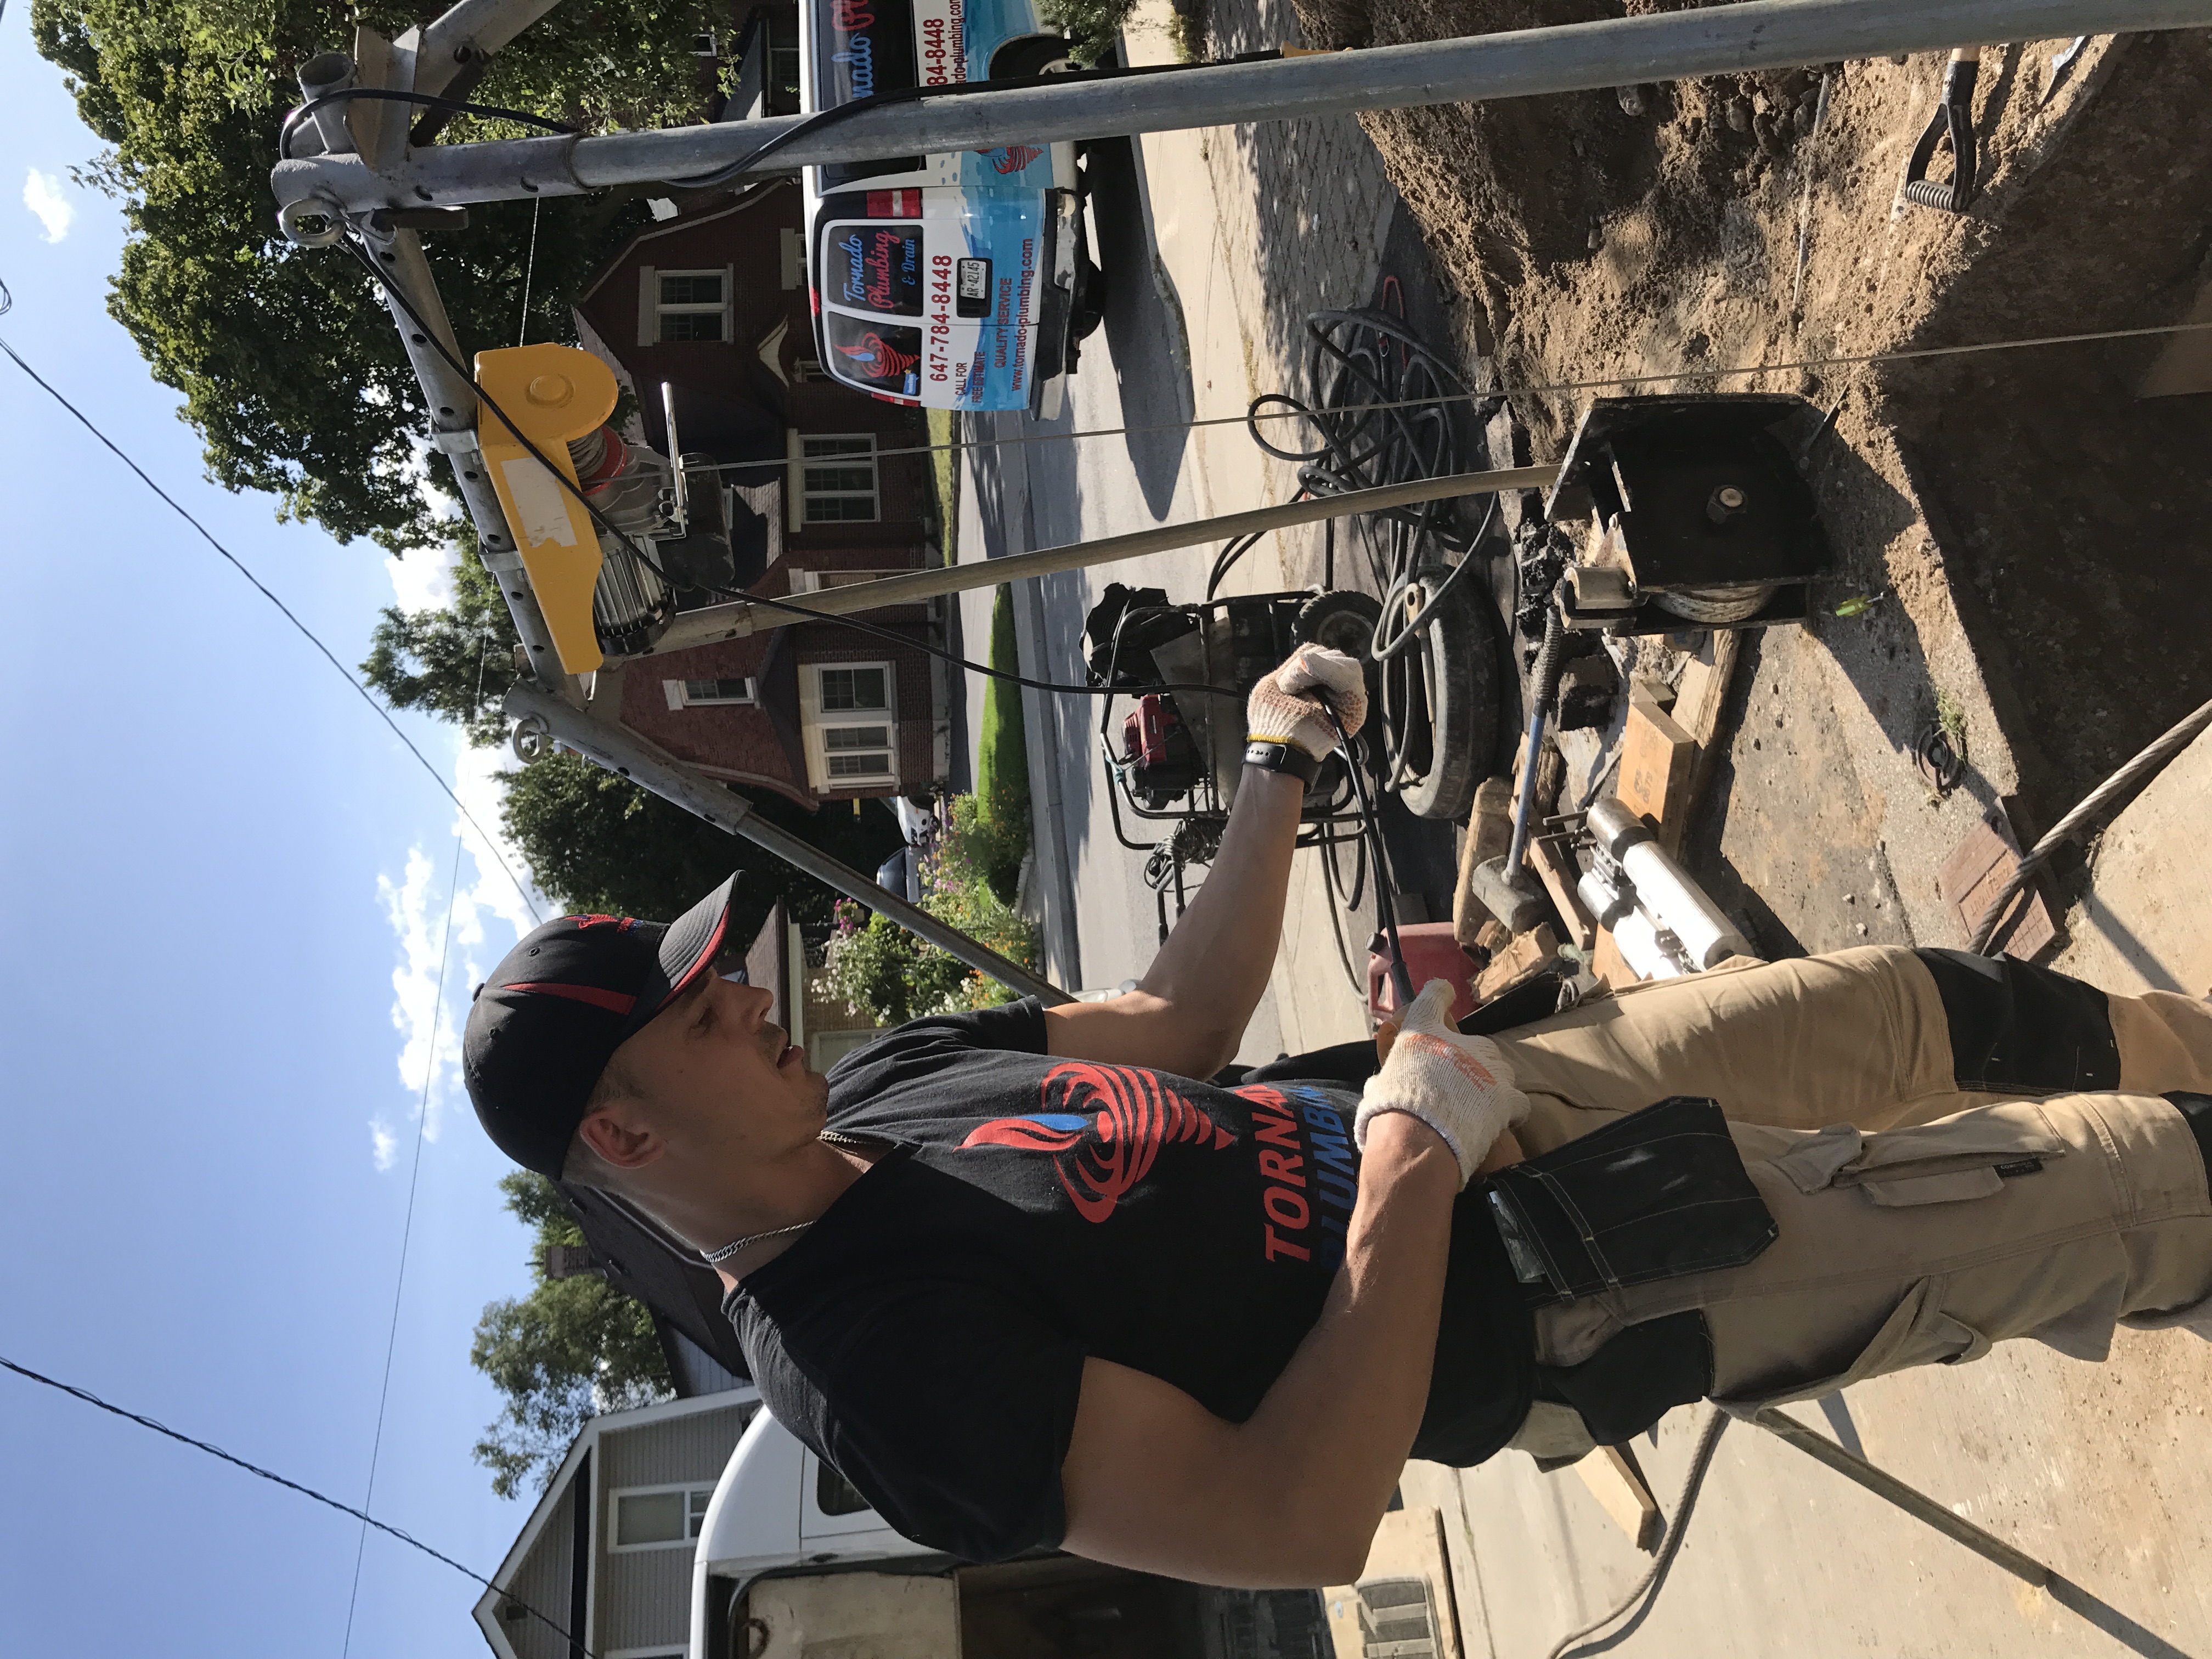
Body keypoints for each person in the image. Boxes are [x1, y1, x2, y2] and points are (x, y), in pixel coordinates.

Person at [463, 644, 2212, 1591]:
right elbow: (1288, 1526)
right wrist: (1403, 1174)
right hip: (1561, 1290)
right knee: (2097, 1203)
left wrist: (1276, 762)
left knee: (1931, 1009)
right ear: (621, 1136)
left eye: (722, 971)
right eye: (703, 1012)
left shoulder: (887, 1083)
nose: (755, 994)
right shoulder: (869, 1372)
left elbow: (1181, 1023)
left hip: (1495, 1105)